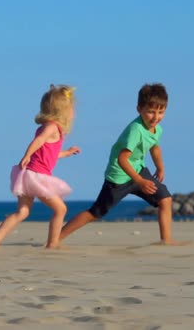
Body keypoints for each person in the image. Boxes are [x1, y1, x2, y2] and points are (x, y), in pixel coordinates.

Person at [59, 83, 186, 245]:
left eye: (161, 112)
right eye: (151, 112)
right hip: (118, 176)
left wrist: (160, 167)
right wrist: (140, 181)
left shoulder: (157, 129)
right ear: (139, 109)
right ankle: (56, 238)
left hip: (138, 170)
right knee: (96, 213)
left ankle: (166, 241)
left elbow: (154, 147)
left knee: (165, 199)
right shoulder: (135, 130)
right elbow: (122, 159)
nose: (156, 117)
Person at [0, 84, 81, 251]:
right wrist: (27, 155)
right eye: (72, 108)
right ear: (62, 111)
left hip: (27, 175)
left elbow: (50, 153)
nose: (74, 112)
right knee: (60, 209)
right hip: (37, 176)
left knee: (22, 212)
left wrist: (68, 152)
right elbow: (38, 142)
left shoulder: (48, 128)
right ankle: (52, 244)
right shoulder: (52, 127)